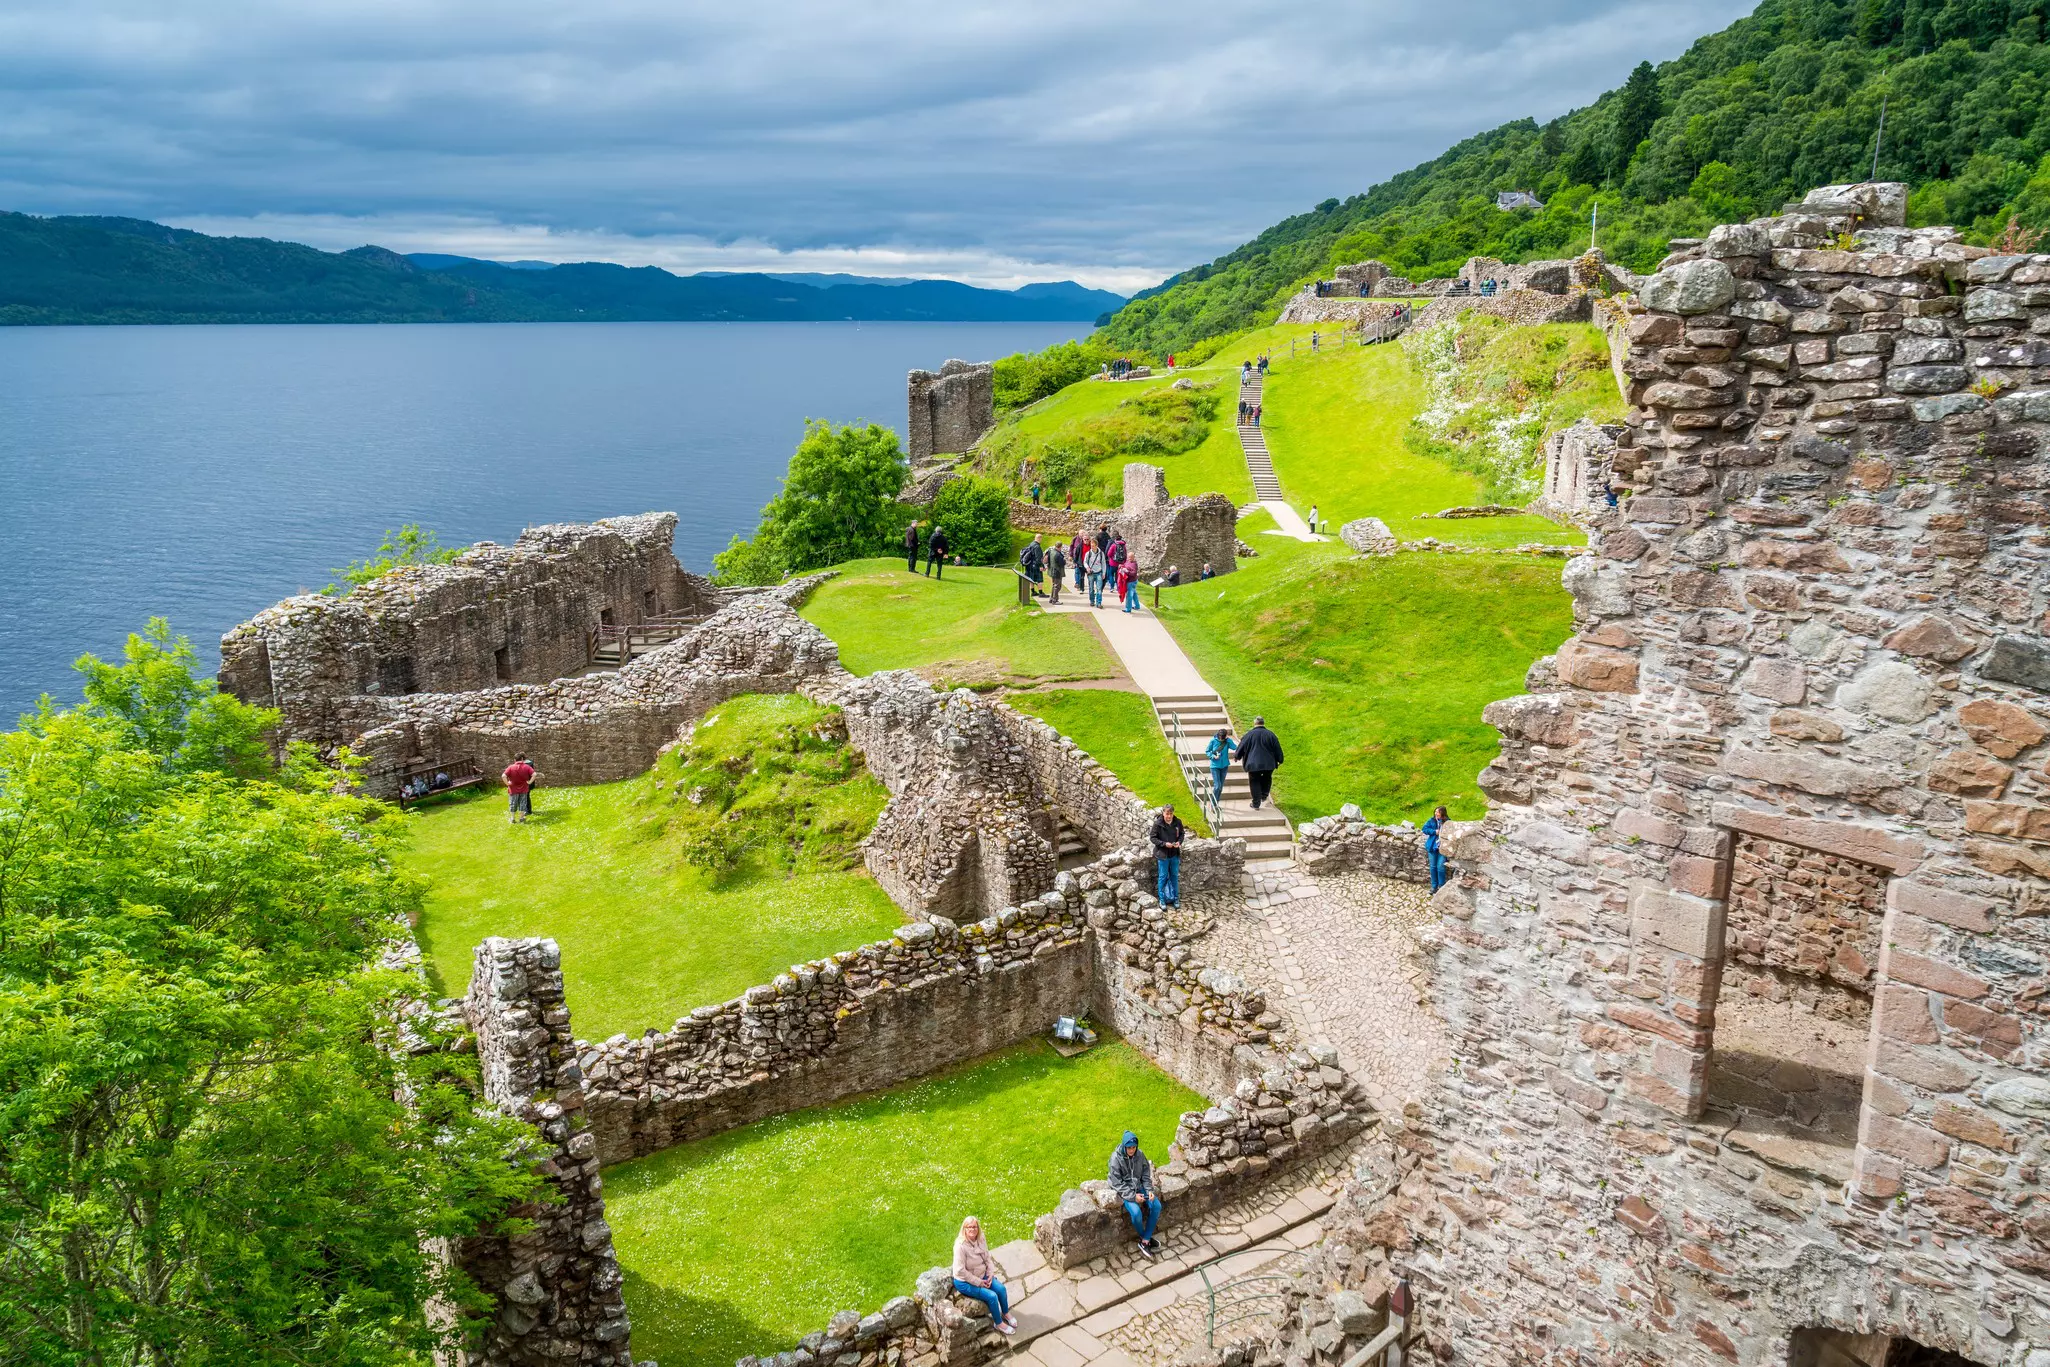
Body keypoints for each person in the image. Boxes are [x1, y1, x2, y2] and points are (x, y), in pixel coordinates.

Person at [951, 1217, 1017, 1334]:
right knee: (992, 1296)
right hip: (965, 1281)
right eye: (969, 1227)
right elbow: (960, 1270)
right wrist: (979, 1282)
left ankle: (1005, 1313)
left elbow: (987, 1257)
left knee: (1001, 1289)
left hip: (983, 1275)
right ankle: (998, 1323)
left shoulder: (981, 1238)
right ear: (964, 1229)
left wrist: (990, 1274)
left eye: (975, 1226)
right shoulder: (960, 1246)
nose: (972, 1229)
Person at [1109, 1131, 1162, 1255]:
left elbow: (1145, 1174)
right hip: (1125, 1191)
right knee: (1136, 1213)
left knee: (1156, 1206)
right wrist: (1133, 1197)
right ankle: (1146, 1239)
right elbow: (1116, 1183)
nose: (1132, 1150)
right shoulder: (1115, 1159)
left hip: (1139, 1187)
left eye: (1134, 1147)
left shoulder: (1140, 1154)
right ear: (1124, 1146)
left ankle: (1145, 1240)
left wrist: (1149, 1190)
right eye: (1129, 1147)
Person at [1237, 716, 1283, 810]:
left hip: (1253, 764)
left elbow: (1242, 746)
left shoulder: (1249, 735)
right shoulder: (1271, 735)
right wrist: (1280, 759)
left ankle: (1256, 803)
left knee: (1254, 781)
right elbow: (1277, 748)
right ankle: (1264, 795)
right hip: (1269, 763)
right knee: (1267, 778)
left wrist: (1237, 756)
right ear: (1263, 723)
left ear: (1255, 723)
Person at [1150, 804, 1185, 909]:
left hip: (1174, 854)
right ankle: (1162, 899)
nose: (1169, 816)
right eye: (1167, 814)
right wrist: (1164, 844)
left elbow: (1182, 834)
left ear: (1173, 813)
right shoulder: (1158, 824)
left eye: (1170, 814)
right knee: (1163, 876)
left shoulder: (1177, 822)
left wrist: (1179, 842)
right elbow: (1152, 838)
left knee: (1174, 876)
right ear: (1163, 813)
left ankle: (1175, 898)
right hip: (1162, 855)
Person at [503, 753, 537, 824]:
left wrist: (507, 783)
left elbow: (503, 776)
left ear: (514, 760)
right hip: (524, 788)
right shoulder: (527, 767)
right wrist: (530, 782)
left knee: (512, 803)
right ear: (522, 759)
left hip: (513, 789)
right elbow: (534, 774)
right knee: (522, 803)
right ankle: (521, 818)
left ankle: (512, 818)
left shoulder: (510, 767)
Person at [1423, 805, 1451, 891]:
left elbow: (1451, 833)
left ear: (1443, 813)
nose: (1436, 813)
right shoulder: (1431, 820)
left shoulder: (1448, 822)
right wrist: (1434, 831)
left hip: (1442, 849)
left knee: (1440, 868)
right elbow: (1424, 829)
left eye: (1438, 812)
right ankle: (1434, 886)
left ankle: (1441, 887)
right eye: (1435, 811)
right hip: (1432, 847)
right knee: (1433, 867)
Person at [1206, 728, 1236, 805]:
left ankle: (1216, 803)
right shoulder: (1213, 741)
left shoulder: (1227, 741)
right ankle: (1213, 803)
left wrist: (1228, 739)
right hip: (1215, 766)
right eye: (1220, 738)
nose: (1221, 739)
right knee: (1217, 786)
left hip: (1224, 766)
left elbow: (1234, 747)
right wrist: (1213, 756)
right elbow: (1207, 751)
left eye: (1223, 738)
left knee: (1220, 787)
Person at [1084, 539, 1108, 608]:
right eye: (1091, 546)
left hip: (1099, 572)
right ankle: (1092, 601)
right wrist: (1087, 567)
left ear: (1097, 546)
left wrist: (1103, 573)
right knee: (1091, 589)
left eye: (1093, 546)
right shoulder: (1088, 553)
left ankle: (1099, 603)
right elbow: (1085, 562)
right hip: (1091, 573)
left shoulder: (1101, 553)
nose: (1092, 547)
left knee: (1099, 589)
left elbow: (1103, 563)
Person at [1047, 539, 1067, 605]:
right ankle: (1055, 600)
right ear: (1060, 547)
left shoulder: (1051, 551)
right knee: (1057, 586)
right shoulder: (1058, 555)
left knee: (1054, 585)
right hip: (1057, 572)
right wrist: (1064, 561)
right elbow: (1062, 563)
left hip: (1052, 571)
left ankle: (1052, 598)